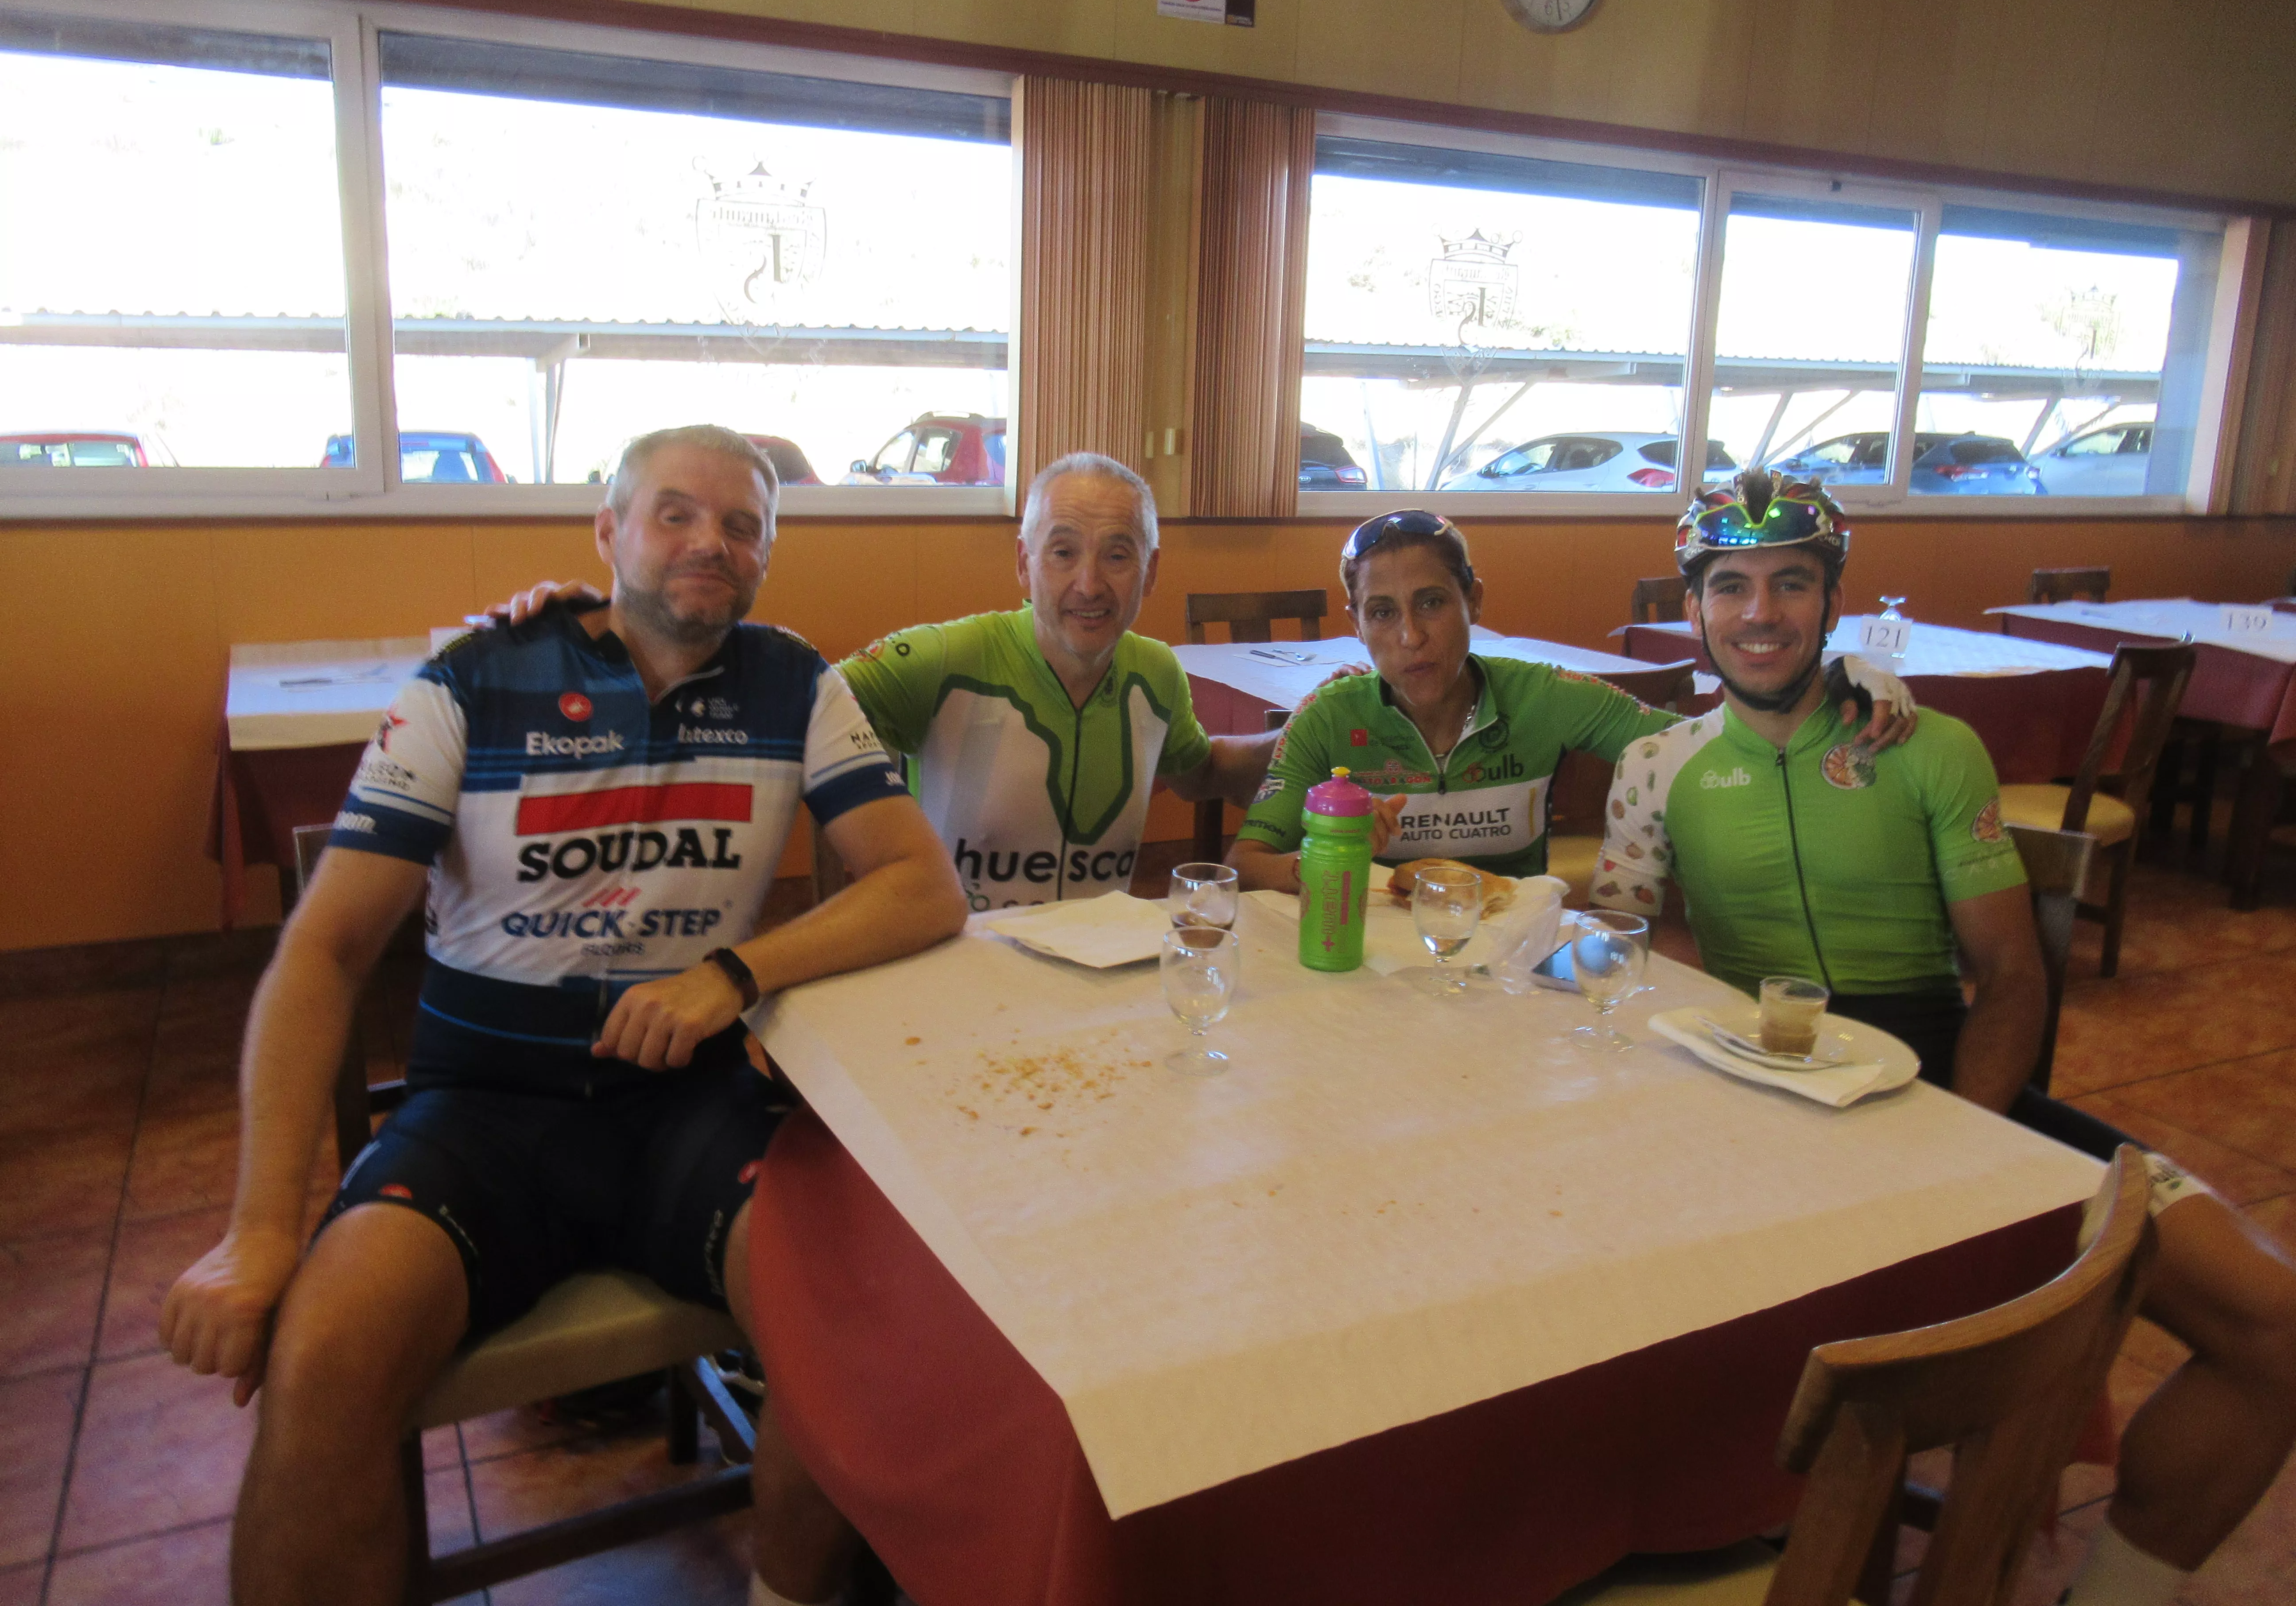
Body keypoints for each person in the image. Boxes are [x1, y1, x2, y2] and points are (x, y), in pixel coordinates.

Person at [160, 425, 969, 1606]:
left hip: (695, 1104)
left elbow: (921, 886)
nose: (712, 543)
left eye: (745, 526)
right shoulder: (472, 682)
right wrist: (259, 1229)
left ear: (768, 556)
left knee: (857, 1324)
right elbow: (323, 951)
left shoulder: (796, 681)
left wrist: (734, 975)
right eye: (676, 514)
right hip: (483, 1117)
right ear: (609, 533)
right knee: (322, 1362)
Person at [1592, 466, 2296, 1606]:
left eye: (1791, 584)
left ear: (1834, 603)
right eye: (1730, 586)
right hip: (1742, 1096)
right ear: (1694, 608)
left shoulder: (1929, 746)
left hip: (1949, 1091)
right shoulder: (1656, 767)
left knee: (2275, 1329)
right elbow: (1615, 954)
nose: (1760, 613)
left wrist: (1963, 1142)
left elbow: (2012, 979)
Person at [500, 450, 1279, 911]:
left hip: (1106, 982)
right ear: (1022, 561)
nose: (1089, 583)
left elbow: (1201, 769)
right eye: (1063, 550)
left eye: (1118, 554)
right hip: (954, 972)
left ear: (1152, 568)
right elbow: (774, 709)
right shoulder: (941, 660)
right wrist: (607, 633)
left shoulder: (1156, 672)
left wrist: (1302, 741)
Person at [1226, 508, 1912, 893]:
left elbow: (1702, 745)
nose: (1410, 636)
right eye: (1381, 613)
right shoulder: (1331, 715)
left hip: (1505, 974)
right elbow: (1243, 863)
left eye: (1433, 603)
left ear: (1475, 601)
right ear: (1357, 624)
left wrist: (1833, 675)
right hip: (1362, 968)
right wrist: (1327, 859)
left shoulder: (1546, 696)